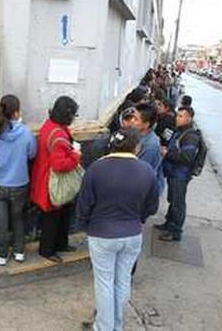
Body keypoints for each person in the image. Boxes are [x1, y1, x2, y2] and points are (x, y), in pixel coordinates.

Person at [77, 128, 159, 331]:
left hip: (101, 233)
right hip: (132, 233)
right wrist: (138, 219)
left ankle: (104, 327)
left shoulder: (96, 168)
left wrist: (85, 225)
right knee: (122, 280)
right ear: (136, 147)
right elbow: (152, 206)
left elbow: (84, 204)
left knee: (104, 281)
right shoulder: (147, 170)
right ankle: (117, 325)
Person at [0, 95, 37, 265]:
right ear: (17, 112)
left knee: (0, 221)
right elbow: (32, 154)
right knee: (18, 219)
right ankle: (19, 252)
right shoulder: (25, 132)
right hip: (20, 184)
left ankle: (2, 255)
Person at [31, 96, 81, 263]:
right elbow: (59, 165)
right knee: (51, 218)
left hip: (44, 177)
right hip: (52, 182)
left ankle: (61, 244)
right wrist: (75, 156)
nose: (74, 118)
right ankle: (47, 250)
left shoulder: (50, 125)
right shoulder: (59, 134)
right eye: (73, 114)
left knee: (62, 214)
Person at [157, 106, 200, 242]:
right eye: (177, 115)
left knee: (178, 202)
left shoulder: (190, 136)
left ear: (189, 118)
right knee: (173, 200)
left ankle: (175, 231)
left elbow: (186, 158)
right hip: (173, 172)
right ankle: (169, 223)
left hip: (180, 174)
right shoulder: (181, 131)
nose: (177, 118)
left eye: (181, 116)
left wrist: (167, 153)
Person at [126, 103, 164, 193]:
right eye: (132, 117)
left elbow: (142, 174)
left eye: (136, 119)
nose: (131, 121)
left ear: (146, 124)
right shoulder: (135, 134)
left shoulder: (150, 145)